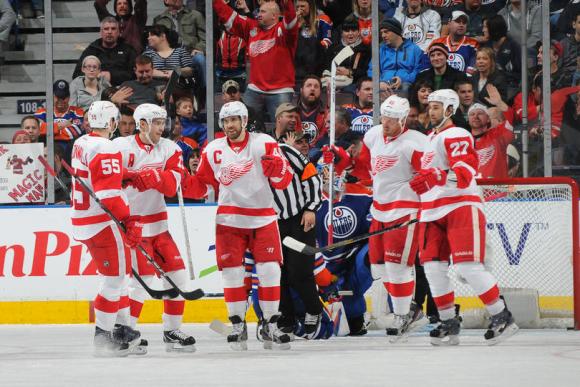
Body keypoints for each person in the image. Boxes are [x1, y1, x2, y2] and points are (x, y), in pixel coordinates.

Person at [182, 101, 294, 351]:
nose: (229, 125)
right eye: (225, 121)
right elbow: (203, 186)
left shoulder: (264, 143)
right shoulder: (212, 150)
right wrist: (184, 182)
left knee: (269, 271)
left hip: (263, 218)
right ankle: (237, 324)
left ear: (244, 121)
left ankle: (269, 324)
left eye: (234, 120)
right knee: (232, 272)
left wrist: (277, 170)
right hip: (229, 220)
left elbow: (284, 181)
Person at [409, 89, 518, 345]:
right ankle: (448, 321)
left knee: (468, 267)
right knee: (433, 268)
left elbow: (466, 172)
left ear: (449, 110)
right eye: (430, 107)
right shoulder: (428, 139)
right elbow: (427, 177)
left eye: (436, 107)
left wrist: (438, 176)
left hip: (460, 206)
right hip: (431, 211)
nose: (430, 111)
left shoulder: (456, 133)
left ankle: (502, 315)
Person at [115, 103, 196, 353]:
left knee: (178, 277)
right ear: (142, 125)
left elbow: (173, 186)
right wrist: (129, 175)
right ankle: (124, 333)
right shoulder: (121, 148)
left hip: (159, 226)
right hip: (133, 226)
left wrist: (156, 178)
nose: (162, 128)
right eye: (157, 123)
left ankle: (171, 331)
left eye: (163, 122)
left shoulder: (170, 149)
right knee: (140, 283)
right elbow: (108, 179)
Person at [70, 101, 142, 356]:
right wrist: (130, 220)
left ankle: (121, 328)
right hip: (101, 222)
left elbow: (96, 174)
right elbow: (109, 194)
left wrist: (125, 174)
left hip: (83, 219)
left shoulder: (82, 142)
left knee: (118, 276)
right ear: (112, 123)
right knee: (114, 279)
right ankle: (103, 337)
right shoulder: (107, 146)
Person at [359, 95, 427, 340]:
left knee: (398, 267)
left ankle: (402, 315)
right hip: (379, 210)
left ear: (403, 119)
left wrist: (425, 187)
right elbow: (363, 166)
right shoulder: (373, 135)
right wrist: (343, 160)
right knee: (378, 268)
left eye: (392, 119)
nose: (386, 122)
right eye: (384, 117)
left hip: (404, 211)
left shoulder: (416, 143)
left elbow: (429, 175)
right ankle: (409, 309)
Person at [270, 128, 324, 339]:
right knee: (277, 274)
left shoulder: (286, 151)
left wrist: (311, 208)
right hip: (269, 223)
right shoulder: (245, 159)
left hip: (298, 218)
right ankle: (286, 318)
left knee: (300, 271)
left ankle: (314, 310)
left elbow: (312, 178)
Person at [213, 0, 298, 122]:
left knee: (284, 128)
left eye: (263, 12)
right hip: (255, 88)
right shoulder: (252, 28)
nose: (258, 14)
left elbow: (290, 20)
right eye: (258, 11)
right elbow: (230, 16)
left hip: (281, 89)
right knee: (243, 123)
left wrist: (287, 3)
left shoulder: (284, 31)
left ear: (274, 16)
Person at [153, 0, 206, 87]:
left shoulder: (195, 15)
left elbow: (205, 39)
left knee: (200, 59)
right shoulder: (159, 20)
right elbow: (155, 42)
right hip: (169, 56)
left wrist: (199, 49)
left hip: (191, 54)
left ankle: (204, 95)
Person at [72, 17, 137, 87]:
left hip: (122, 90)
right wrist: (94, 75)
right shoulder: (91, 50)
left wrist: (112, 76)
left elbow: (135, 74)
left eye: (113, 29)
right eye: (106, 29)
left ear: (118, 32)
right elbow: (76, 75)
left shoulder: (128, 50)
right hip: (95, 91)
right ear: (101, 32)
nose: (109, 32)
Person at [368, 18, 423, 95]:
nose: (383, 35)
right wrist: (379, 82)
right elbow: (372, 70)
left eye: (386, 32)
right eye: (382, 33)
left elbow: (418, 71)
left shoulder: (414, 49)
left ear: (396, 32)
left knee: (405, 87)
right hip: (383, 85)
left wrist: (403, 79)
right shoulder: (381, 50)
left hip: (405, 84)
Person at [323, 15, 371, 91]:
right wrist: (334, 71)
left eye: (353, 30)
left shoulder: (365, 49)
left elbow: (366, 71)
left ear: (358, 32)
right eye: (347, 31)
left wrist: (349, 72)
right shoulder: (333, 48)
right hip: (334, 81)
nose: (350, 33)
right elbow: (326, 66)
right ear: (342, 33)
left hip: (355, 84)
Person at [468, 103, 514, 178]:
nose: (475, 116)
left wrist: (499, 102)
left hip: (495, 188)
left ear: (488, 119)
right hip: (473, 188)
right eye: (472, 114)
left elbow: (512, 121)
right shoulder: (464, 140)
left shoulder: (497, 135)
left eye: (480, 113)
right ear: (468, 120)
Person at [34, 80, 85, 148]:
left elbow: (74, 133)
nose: (60, 101)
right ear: (52, 96)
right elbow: (37, 130)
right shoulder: (41, 112)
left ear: (69, 97)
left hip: (70, 151)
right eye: (57, 97)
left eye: (63, 98)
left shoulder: (78, 112)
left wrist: (47, 131)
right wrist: (60, 126)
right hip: (47, 152)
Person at [427, 11, 478, 75]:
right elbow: (426, 65)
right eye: (458, 21)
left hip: (463, 82)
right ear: (449, 24)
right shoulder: (436, 43)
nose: (461, 25)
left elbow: (472, 70)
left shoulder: (473, 44)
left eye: (464, 22)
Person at [294, 0, 333, 85]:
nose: (300, 9)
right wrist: (296, 27)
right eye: (297, 7)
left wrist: (313, 46)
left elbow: (328, 41)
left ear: (311, 6)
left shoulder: (323, 19)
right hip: (297, 68)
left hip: (316, 65)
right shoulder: (293, 22)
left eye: (302, 6)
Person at [298, 76, 326, 146]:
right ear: (301, 90)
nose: (312, 89)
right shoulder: (292, 113)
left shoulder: (327, 115)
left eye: (316, 86)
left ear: (320, 92)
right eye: (309, 86)